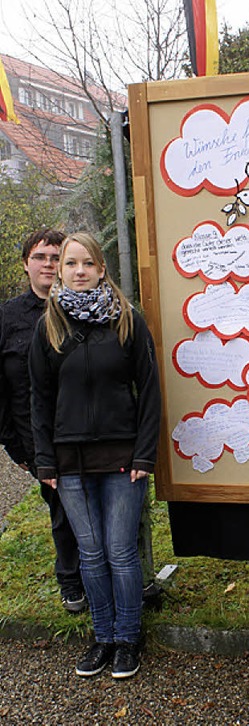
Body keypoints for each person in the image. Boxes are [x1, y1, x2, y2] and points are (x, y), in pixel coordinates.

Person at [29, 233, 161, 680]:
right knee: (89, 554)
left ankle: (127, 638)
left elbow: (150, 393)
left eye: (88, 263)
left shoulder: (126, 321)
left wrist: (145, 455)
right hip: (68, 466)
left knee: (121, 553)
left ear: (102, 269)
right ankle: (102, 636)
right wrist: (45, 461)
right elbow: (39, 398)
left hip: (123, 461)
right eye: (70, 263)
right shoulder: (49, 327)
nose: (79, 271)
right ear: (60, 271)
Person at [0, 227, 86, 614]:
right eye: (41, 257)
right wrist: (15, 447)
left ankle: (116, 576)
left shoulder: (83, 307)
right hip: (37, 439)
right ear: (26, 264)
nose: (49, 265)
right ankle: (72, 582)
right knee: (64, 510)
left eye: (56, 257)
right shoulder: (7, 318)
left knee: (103, 507)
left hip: (87, 431)